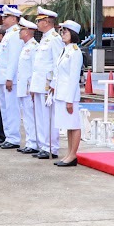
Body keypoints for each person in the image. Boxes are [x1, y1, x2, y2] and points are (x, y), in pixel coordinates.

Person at [29, 9, 63, 159]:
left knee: (48, 117)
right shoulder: (44, 38)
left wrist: (54, 84)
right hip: (38, 84)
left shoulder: (55, 39)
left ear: (47, 22)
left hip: (47, 84)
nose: (37, 23)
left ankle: (51, 147)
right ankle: (43, 145)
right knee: (40, 117)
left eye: (39, 20)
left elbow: (57, 63)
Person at [51, 20, 85, 167]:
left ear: (73, 34)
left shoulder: (75, 52)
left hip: (69, 95)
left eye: (65, 32)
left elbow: (73, 77)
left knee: (73, 124)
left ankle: (73, 155)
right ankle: (69, 153)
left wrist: (70, 100)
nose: (62, 34)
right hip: (61, 93)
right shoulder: (65, 50)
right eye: (62, 31)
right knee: (68, 125)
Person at [0, 8, 25, 149]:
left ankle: (13, 138)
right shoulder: (8, 34)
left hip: (9, 78)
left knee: (11, 108)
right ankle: (8, 136)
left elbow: (14, 58)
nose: (3, 19)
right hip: (1, 77)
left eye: (6, 17)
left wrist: (9, 78)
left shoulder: (16, 34)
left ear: (14, 19)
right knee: (4, 108)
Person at [14, 19, 40, 154]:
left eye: (21, 30)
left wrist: (32, 88)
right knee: (27, 116)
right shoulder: (25, 47)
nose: (19, 32)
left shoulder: (34, 47)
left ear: (27, 32)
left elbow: (35, 69)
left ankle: (33, 143)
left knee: (31, 117)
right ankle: (31, 142)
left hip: (29, 88)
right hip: (23, 87)